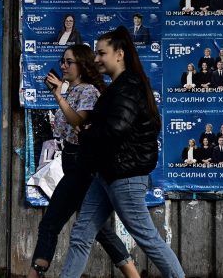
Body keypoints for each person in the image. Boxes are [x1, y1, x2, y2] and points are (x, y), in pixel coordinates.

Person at [59, 27, 183, 278]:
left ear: (120, 54)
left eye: (101, 53)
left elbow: (115, 129)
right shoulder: (117, 88)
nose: (96, 59)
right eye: (95, 53)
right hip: (106, 173)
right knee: (81, 234)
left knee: (147, 238)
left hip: (124, 176)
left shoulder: (129, 87)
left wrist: (86, 131)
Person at [30, 44, 138, 278]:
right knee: (98, 228)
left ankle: (34, 274)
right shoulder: (74, 90)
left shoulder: (88, 91)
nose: (63, 65)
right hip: (71, 162)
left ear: (82, 65)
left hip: (81, 165)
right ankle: (133, 274)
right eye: (62, 61)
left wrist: (59, 96)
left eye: (69, 62)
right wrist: (63, 91)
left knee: (50, 223)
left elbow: (78, 122)